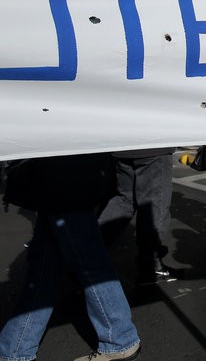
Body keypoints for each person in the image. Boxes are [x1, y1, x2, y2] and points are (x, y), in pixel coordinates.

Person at [0, 154, 142, 361]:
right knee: (45, 264)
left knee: (85, 259)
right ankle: (15, 347)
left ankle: (120, 338)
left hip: (60, 175)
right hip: (63, 174)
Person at [97, 147, 178, 285]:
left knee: (124, 200)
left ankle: (87, 248)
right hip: (153, 148)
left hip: (121, 148)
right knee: (154, 207)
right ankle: (150, 267)